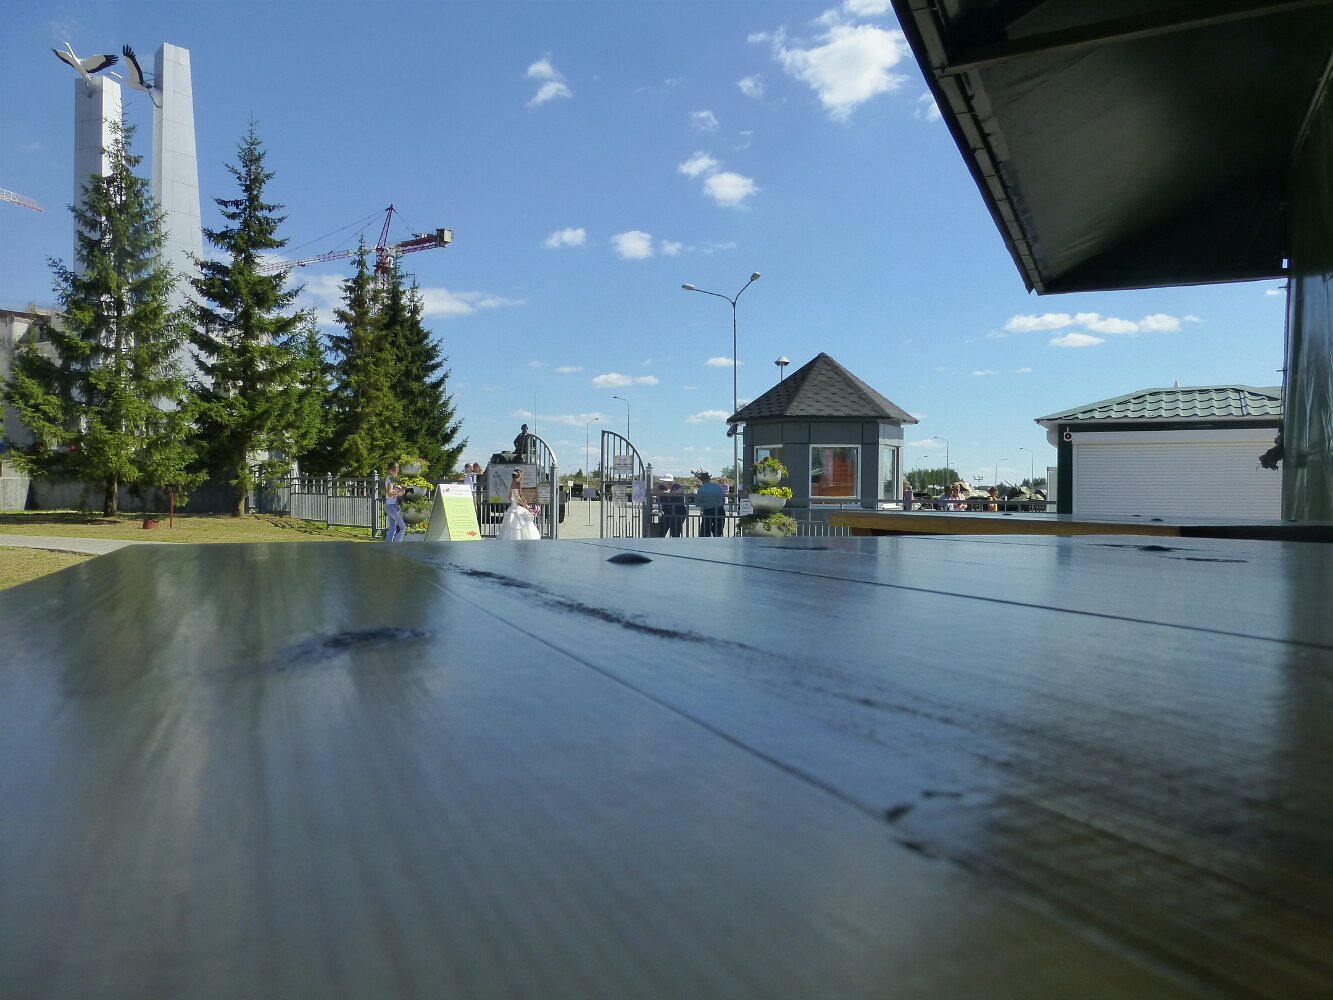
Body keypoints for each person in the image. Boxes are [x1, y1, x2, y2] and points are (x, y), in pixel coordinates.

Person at [498, 468, 541, 540]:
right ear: (520, 475)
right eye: (522, 474)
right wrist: (526, 506)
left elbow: (510, 497)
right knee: (524, 523)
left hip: (513, 506)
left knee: (509, 524)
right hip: (518, 506)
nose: (523, 476)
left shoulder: (512, 483)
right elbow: (519, 497)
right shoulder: (519, 483)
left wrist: (514, 501)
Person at [694, 471, 726, 537]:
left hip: (708, 511)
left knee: (705, 531)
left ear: (701, 480)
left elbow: (697, 504)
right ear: (709, 479)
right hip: (720, 510)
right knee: (718, 532)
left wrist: (705, 503)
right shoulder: (716, 486)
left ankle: (706, 542)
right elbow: (723, 498)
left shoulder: (701, 489)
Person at [384, 461, 407, 542]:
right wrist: (399, 491)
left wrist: (401, 491)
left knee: (392, 529)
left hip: (389, 506)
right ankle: (397, 545)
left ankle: (387, 546)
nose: (396, 471)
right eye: (395, 469)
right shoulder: (390, 481)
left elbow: (396, 493)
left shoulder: (393, 480)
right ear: (390, 470)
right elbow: (389, 493)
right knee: (403, 528)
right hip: (392, 507)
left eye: (397, 469)